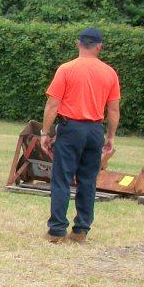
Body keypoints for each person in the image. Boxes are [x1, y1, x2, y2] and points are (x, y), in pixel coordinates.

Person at [39, 27, 121, 243]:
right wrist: (110, 137)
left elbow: (52, 104)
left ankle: (57, 231)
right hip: (95, 130)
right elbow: (113, 110)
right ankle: (81, 230)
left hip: (70, 128)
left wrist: (45, 133)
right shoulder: (110, 73)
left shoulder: (66, 69)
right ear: (99, 47)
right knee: (88, 181)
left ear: (78, 44)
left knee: (62, 179)